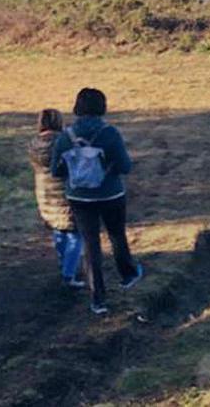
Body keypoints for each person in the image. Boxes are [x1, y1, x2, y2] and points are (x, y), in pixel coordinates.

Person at [52, 88, 142, 314]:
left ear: (77, 107)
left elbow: (56, 171)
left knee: (91, 245)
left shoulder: (66, 136)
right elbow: (125, 166)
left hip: (79, 197)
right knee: (116, 235)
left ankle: (97, 299)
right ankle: (128, 275)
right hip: (110, 194)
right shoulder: (109, 133)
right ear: (103, 106)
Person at [28, 108, 85, 289]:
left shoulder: (34, 144)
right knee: (76, 234)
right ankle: (69, 274)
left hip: (45, 195)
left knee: (58, 230)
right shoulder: (64, 142)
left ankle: (64, 263)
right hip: (66, 195)